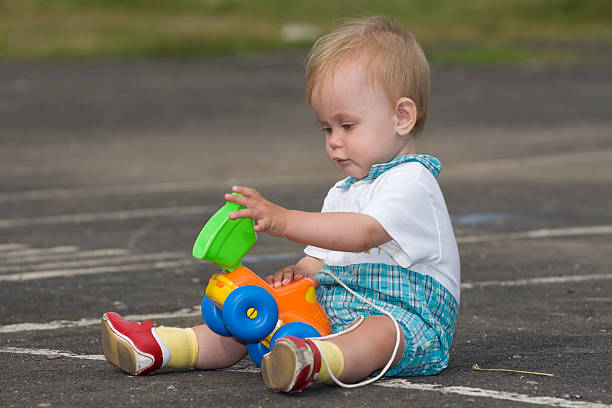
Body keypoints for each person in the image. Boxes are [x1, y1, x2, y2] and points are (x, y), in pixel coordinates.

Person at [101, 15, 460, 393]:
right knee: (254, 322)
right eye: (327, 128)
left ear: (401, 116)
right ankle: (164, 348)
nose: (334, 141)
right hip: (335, 311)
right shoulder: (343, 191)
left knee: (377, 333)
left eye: (347, 125)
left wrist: (283, 220)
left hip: (408, 321)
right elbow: (322, 256)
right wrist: (300, 272)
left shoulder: (412, 181)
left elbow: (362, 233)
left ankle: (314, 361)